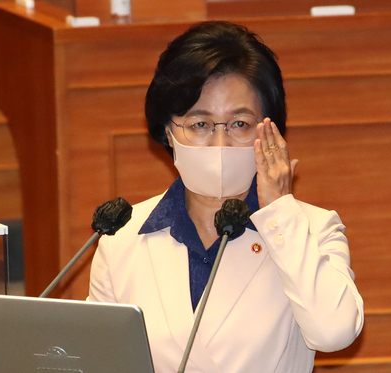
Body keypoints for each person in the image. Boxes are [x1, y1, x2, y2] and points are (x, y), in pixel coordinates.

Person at [88, 21, 364, 373]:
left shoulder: (310, 229)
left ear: (269, 132)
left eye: (239, 124)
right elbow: (102, 359)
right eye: (199, 124)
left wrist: (280, 210)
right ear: (169, 133)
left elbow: (334, 333)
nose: (220, 145)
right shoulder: (122, 238)